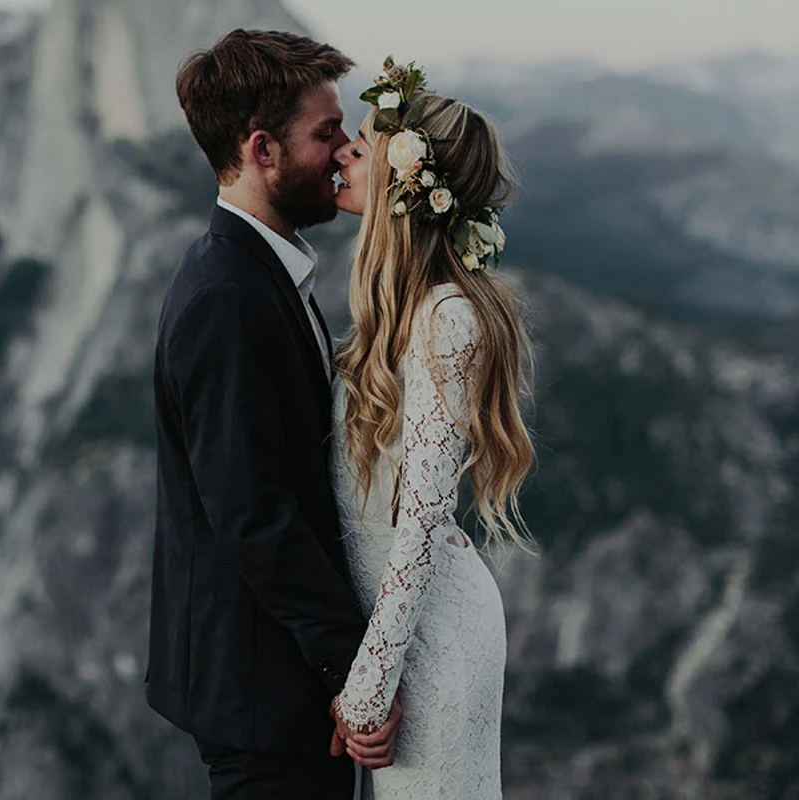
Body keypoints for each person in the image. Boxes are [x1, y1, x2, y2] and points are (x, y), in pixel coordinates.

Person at [145, 30, 400, 800]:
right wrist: (357, 672)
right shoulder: (227, 297)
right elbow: (254, 514)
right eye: (327, 135)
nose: (348, 151)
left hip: (275, 676)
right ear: (262, 149)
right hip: (263, 689)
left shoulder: (259, 269)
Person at [327, 59, 536, 799]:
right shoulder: (397, 309)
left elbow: (420, 519)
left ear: (401, 180)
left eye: (361, 144)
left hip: (435, 642)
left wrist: (367, 688)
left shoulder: (447, 316)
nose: (342, 156)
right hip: (399, 636)